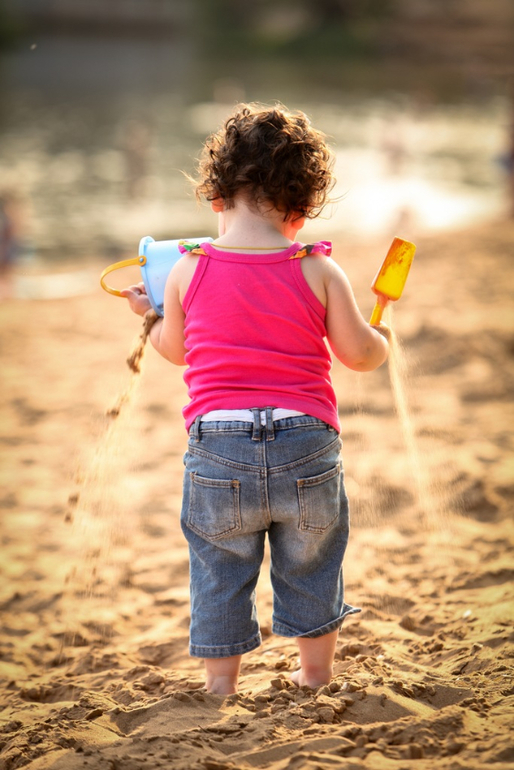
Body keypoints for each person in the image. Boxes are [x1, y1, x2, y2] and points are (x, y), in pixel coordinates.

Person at [121, 103, 389, 695]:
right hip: (305, 440)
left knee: (219, 566)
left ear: (216, 198)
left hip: (218, 445)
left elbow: (177, 349)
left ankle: (220, 684)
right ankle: (315, 673)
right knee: (312, 561)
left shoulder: (189, 269)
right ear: (301, 205)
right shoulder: (318, 268)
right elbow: (358, 354)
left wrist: (151, 314)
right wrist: (382, 339)